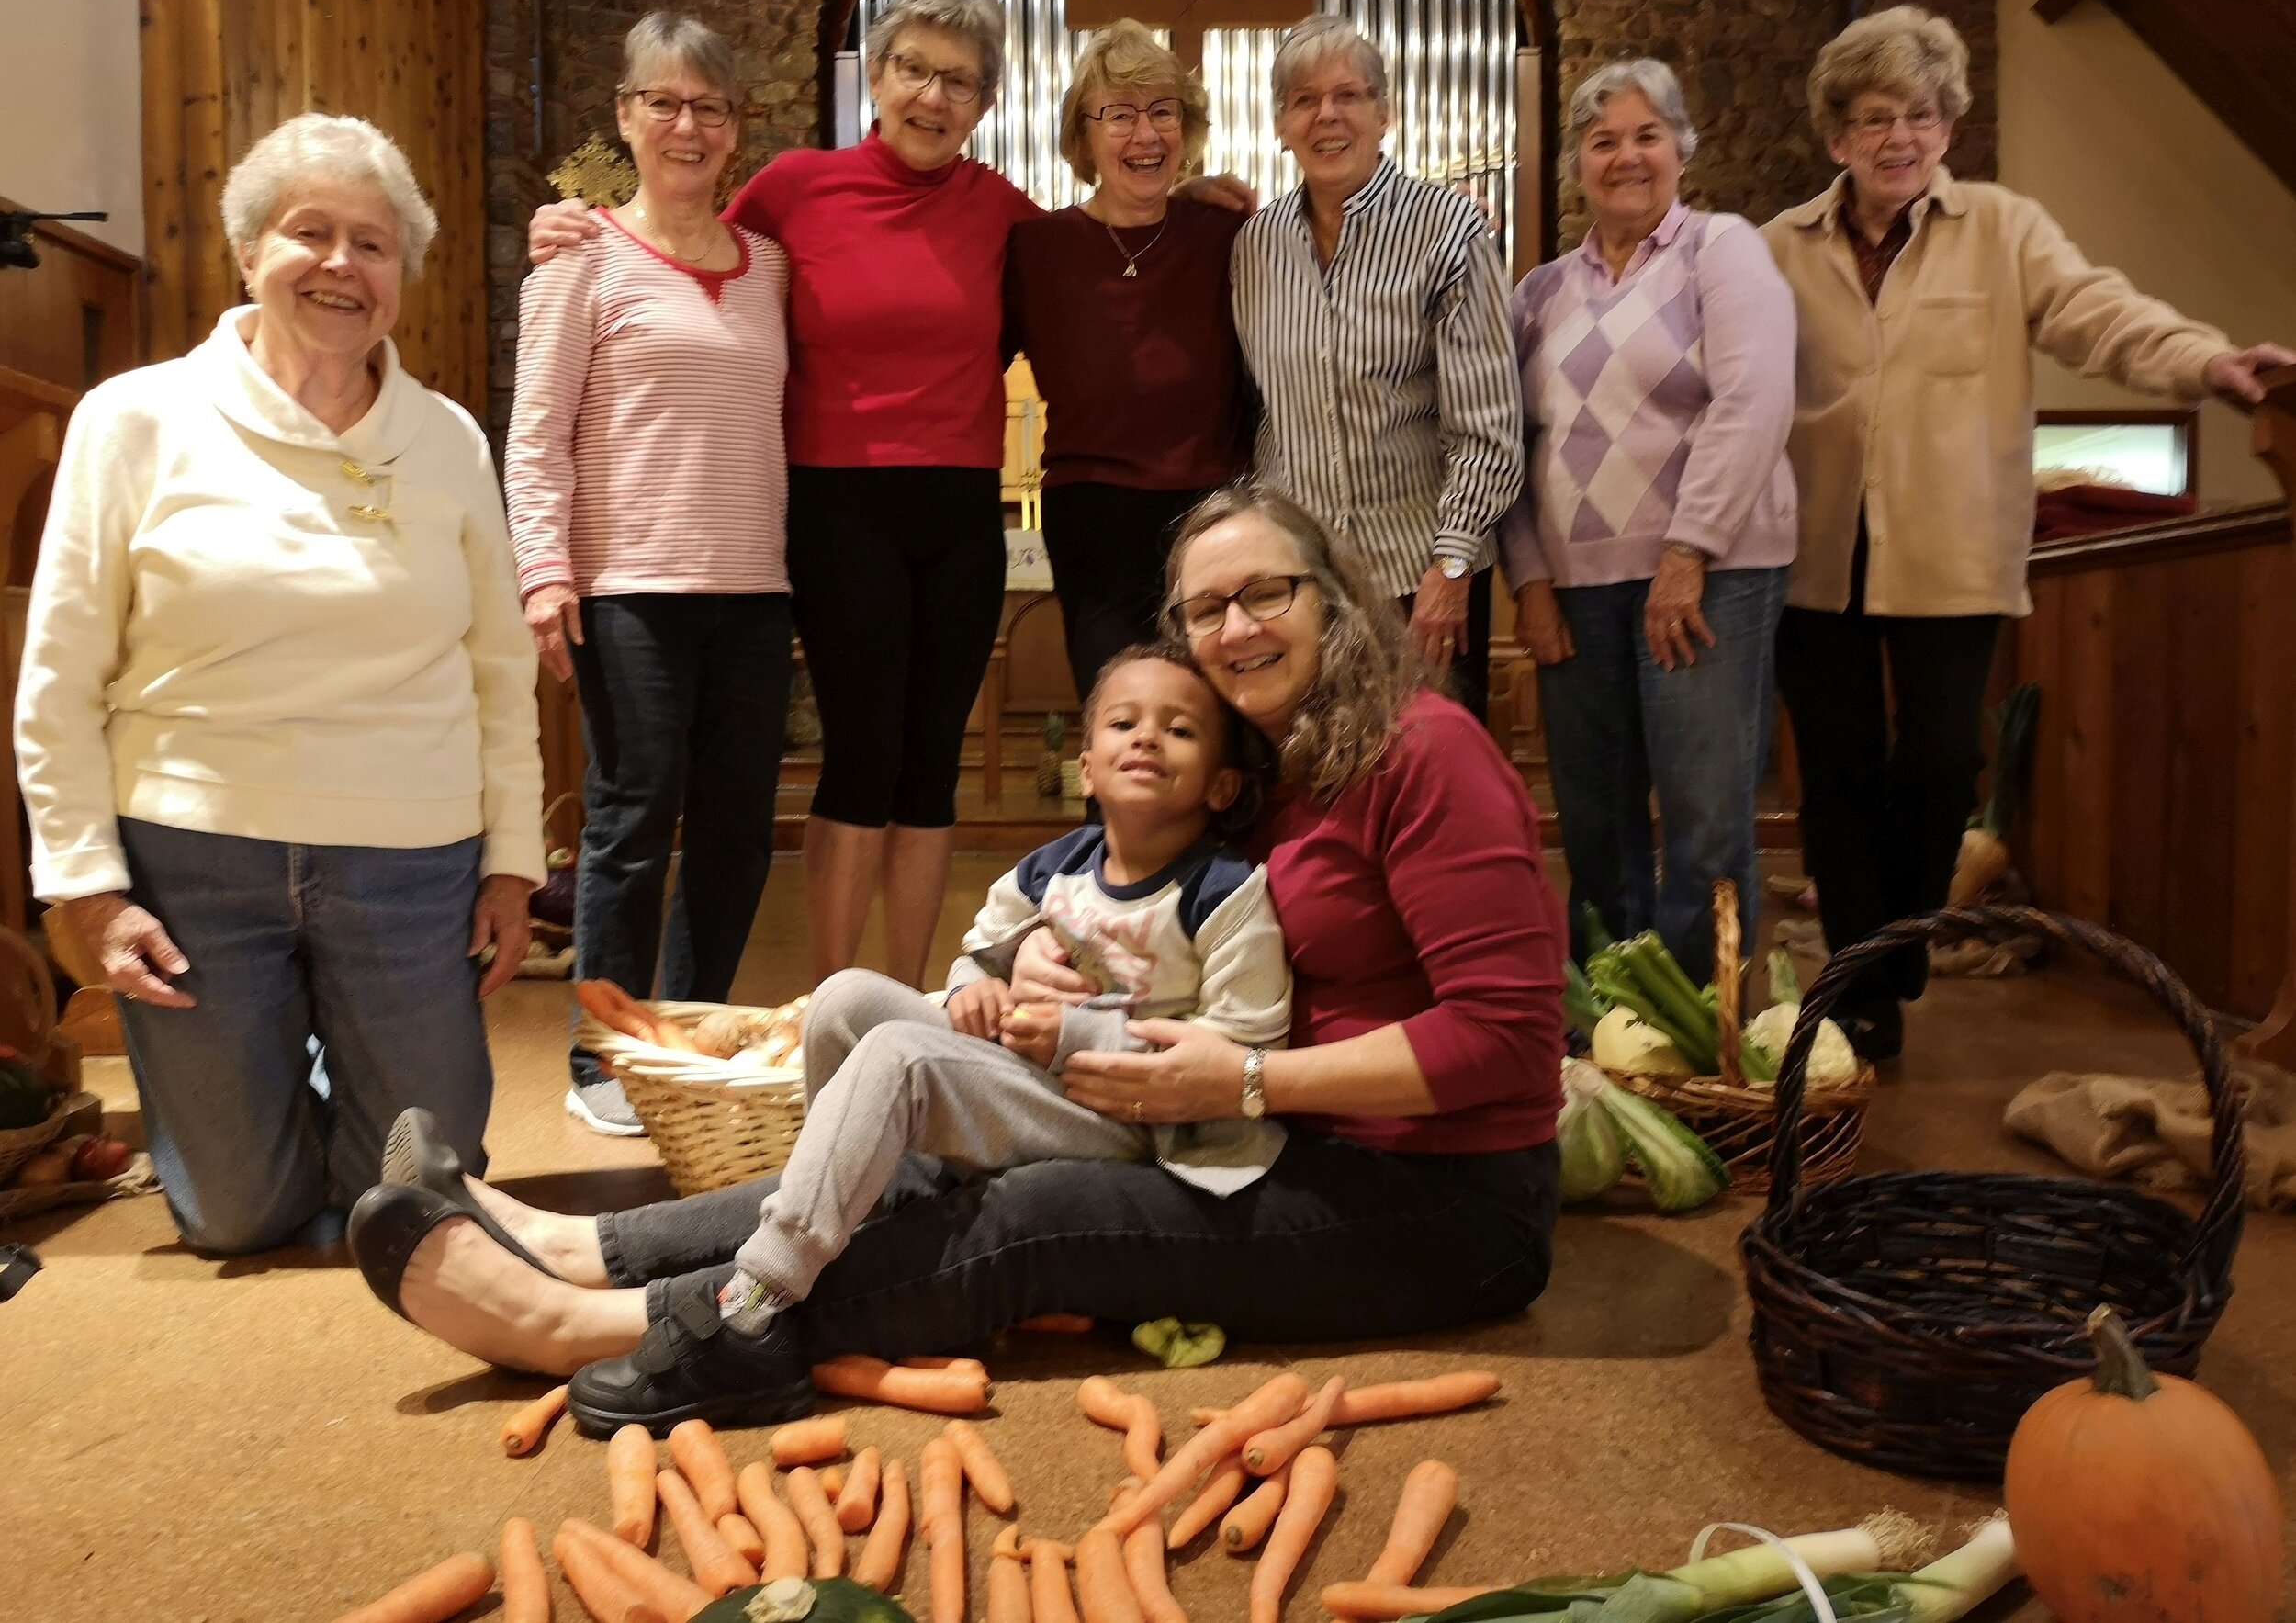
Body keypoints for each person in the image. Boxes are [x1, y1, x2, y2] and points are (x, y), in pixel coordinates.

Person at [339, 490, 1565, 1430]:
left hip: (1440, 1201)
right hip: (1265, 1126)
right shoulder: (1265, 769)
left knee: (1036, 1208)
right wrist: (1040, 970)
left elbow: (1513, 1041)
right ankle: (578, 1244)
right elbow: (1140, 920)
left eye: (1267, 592)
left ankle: (602, 1321)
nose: (1235, 628)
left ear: (1334, 596)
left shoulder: (1422, 751)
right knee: (926, 1144)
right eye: (1205, 608)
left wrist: (1250, 1084)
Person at [526, 0, 1253, 991]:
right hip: (838, 510)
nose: (932, 96)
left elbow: (1102, 247)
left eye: (958, 81)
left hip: (958, 513)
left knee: (928, 774)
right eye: (913, 69)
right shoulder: (793, 187)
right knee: (860, 763)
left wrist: (1204, 195)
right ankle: (835, 1002)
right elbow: (681, 244)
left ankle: (902, 999)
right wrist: (582, 226)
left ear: (984, 104)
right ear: (877, 78)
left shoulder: (1001, 211)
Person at [371, 644, 1292, 1394]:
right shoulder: (1054, 867)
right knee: (852, 996)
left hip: (1131, 1132)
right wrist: (986, 982)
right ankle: (837, 1206)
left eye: (1179, 731)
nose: (1147, 741)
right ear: (1084, 764)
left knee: (898, 1056)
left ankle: (759, 1291)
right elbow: (982, 955)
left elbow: (1243, 1057)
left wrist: (1082, 1036)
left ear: (1217, 784)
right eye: (1124, 724)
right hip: (1031, 1081)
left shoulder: (1225, 894)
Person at [13, 113, 545, 1256]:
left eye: (375, 243)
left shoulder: (448, 438)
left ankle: (326, 1050)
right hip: (197, 852)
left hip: (411, 855)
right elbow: (59, 672)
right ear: (249, 251)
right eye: (312, 233)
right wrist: (89, 891)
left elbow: (501, 671)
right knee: (234, 1217)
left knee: (418, 1198)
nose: (343, 265)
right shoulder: (134, 420)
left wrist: (510, 866)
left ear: (401, 273)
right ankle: (271, 1065)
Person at [1764, 6, 2294, 1056]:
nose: (1898, 138)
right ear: (1836, 137)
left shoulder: (2005, 230)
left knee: (1934, 763)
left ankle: (1895, 950)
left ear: (1948, 127)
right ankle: (1857, 989)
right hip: (1812, 553)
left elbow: (2102, 313)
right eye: (1874, 118)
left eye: (1919, 114)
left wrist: (2208, 362)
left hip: (1949, 550)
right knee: (1833, 776)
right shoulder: (1779, 247)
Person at [505, 13, 793, 1138]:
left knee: (735, 827)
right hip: (629, 587)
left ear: (734, 129)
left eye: (709, 107)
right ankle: (604, 1052)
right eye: (663, 102)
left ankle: (690, 1030)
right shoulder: (578, 258)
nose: (687, 125)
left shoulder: (767, 266)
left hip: (753, 590)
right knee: (633, 822)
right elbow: (537, 432)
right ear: (626, 116)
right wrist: (544, 570)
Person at [1500, 60, 1797, 985]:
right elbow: (1503, 441)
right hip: (1575, 591)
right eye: (1602, 142)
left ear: (1680, 149)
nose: (1625, 157)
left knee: (1703, 814)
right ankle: (1612, 1019)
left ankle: (1699, 1030)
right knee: (1593, 819)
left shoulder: (1722, 248)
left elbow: (1751, 401)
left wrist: (1686, 554)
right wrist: (1529, 579)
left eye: (1645, 136)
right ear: (1576, 165)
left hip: (1707, 576)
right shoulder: (1539, 292)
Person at [1232, 14, 1524, 720]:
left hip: (1416, 578)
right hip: (1301, 587)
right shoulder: (1253, 247)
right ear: (1279, 124)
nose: (1326, 115)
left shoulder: (1448, 229)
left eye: (1349, 95)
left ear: (1384, 113)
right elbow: (1259, 417)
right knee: (1316, 795)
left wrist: (1450, 569)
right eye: (1304, 100)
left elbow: (1488, 428)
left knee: (1430, 795)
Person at [1006, 22, 1255, 704]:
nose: (1145, 135)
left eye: (1162, 111)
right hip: (1093, 518)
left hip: (1213, 516)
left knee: (1217, 721)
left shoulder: (1228, 235)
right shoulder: (1036, 250)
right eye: (1118, 114)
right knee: (1122, 718)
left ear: (1187, 126)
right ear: (1083, 136)